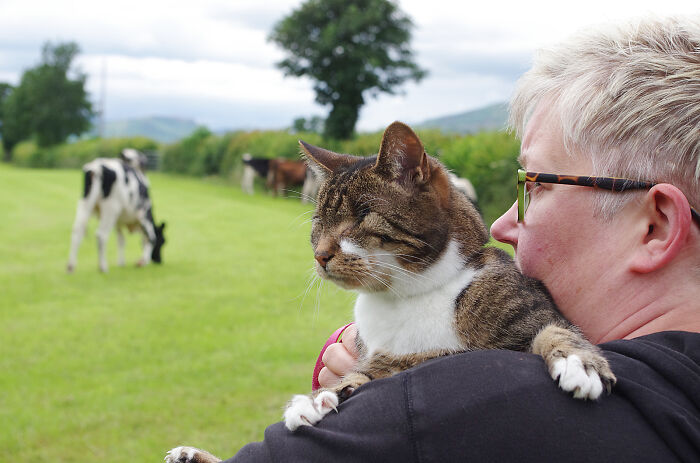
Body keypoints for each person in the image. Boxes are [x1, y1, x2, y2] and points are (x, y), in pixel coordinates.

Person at [225, 16, 700, 462]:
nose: (499, 226)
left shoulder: (454, 403)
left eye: (533, 185)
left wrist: (381, 401)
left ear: (655, 225)